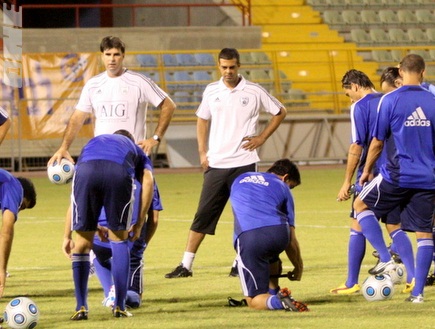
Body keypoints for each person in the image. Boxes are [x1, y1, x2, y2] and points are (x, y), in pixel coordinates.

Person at [49, 36, 175, 307]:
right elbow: (77, 117)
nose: (112, 59)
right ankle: (109, 273)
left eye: (117, 54)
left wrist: (154, 138)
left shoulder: (138, 82)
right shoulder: (94, 85)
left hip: (133, 160)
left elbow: (168, 104)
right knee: (97, 219)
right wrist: (64, 147)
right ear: (102, 56)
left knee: (151, 215)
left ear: (123, 55)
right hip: (100, 157)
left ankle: (132, 258)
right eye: (108, 54)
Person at [165, 48, 287, 278]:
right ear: (218, 67)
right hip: (216, 163)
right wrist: (202, 153)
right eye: (224, 67)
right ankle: (186, 265)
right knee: (203, 214)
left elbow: (280, 111)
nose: (228, 71)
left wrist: (261, 137)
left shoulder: (254, 91)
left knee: (245, 215)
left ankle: (240, 261)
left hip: (245, 162)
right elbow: (202, 119)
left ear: (239, 66)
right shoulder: (212, 90)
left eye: (232, 67)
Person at [353, 54, 435, 303]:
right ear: (422, 71)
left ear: (400, 71)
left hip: (397, 175)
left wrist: (367, 170)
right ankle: (418, 293)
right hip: (428, 178)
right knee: (425, 234)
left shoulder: (389, 100)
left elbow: (377, 142)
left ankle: (386, 259)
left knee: (360, 205)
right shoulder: (433, 99)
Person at [331, 69, 415, 295]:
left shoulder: (359, 106)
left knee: (358, 220)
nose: (350, 99)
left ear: (355, 87)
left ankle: (355, 280)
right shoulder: (390, 99)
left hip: (373, 173)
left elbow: (356, 145)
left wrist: (347, 181)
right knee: (394, 225)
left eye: (349, 94)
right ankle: (413, 278)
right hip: (396, 171)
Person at [62, 132, 154, 319]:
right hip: (117, 172)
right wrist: (139, 222)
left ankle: (80, 307)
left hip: (86, 170)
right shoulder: (136, 150)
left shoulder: (92, 143)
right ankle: (119, 306)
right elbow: (148, 180)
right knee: (118, 239)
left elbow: (78, 196)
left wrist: (69, 234)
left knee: (81, 244)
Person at [229, 158, 307, 311]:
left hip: (250, 237)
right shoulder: (282, 187)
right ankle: (274, 293)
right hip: (279, 234)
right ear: (285, 178)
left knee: (253, 300)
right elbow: (291, 239)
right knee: (271, 255)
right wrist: (298, 267)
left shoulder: (240, 178)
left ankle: (280, 302)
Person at [0, 169, 37, 297]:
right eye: (21, 206)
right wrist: (2, 270)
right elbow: (6, 231)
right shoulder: (15, 187)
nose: (18, 210)